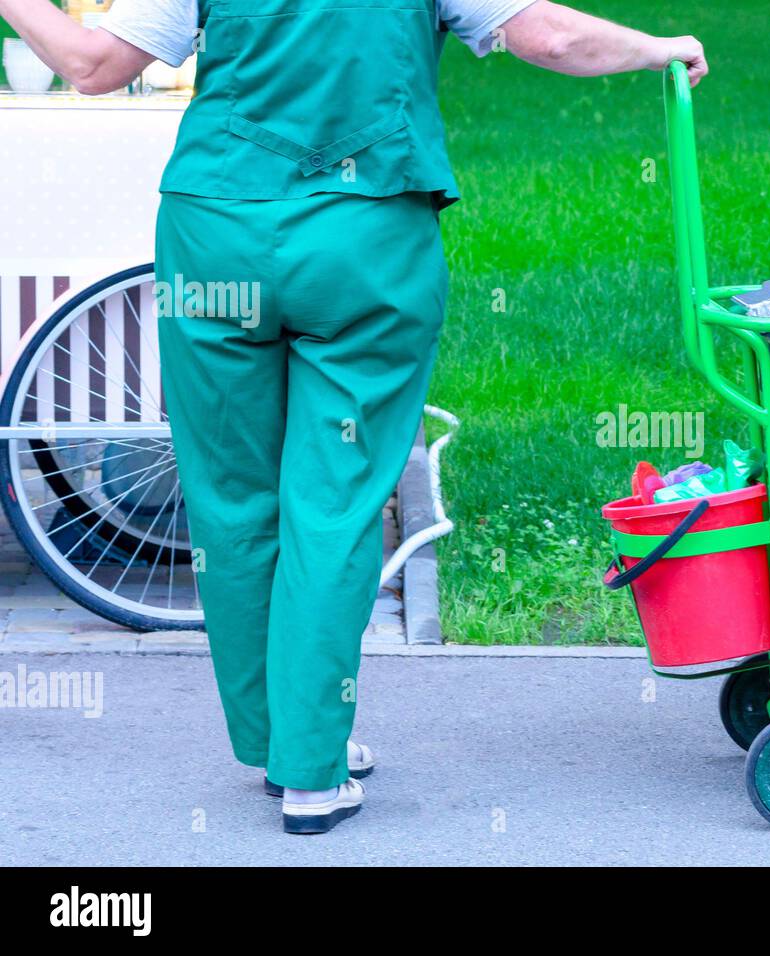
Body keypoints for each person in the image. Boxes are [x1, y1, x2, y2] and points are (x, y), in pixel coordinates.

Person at [0, 0, 706, 834]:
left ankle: (281, 742)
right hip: (365, 243)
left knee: (230, 502)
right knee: (331, 506)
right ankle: (309, 762)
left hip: (218, 241)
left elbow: (89, 66)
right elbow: (547, 36)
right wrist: (659, 47)